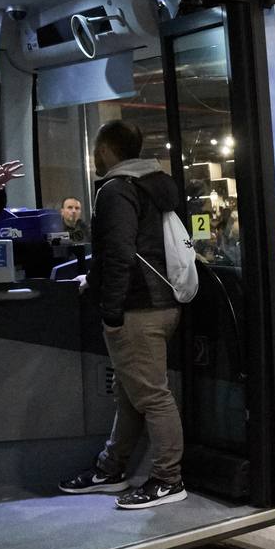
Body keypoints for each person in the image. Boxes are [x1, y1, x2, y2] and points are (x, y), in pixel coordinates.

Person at [58, 121, 187, 509]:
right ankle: (111, 468)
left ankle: (168, 479)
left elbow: (118, 254)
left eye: (97, 147)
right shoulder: (155, 185)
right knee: (131, 395)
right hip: (164, 301)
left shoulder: (117, 190)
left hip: (137, 307)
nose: (95, 155)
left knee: (151, 396)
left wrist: (111, 310)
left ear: (108, 149)